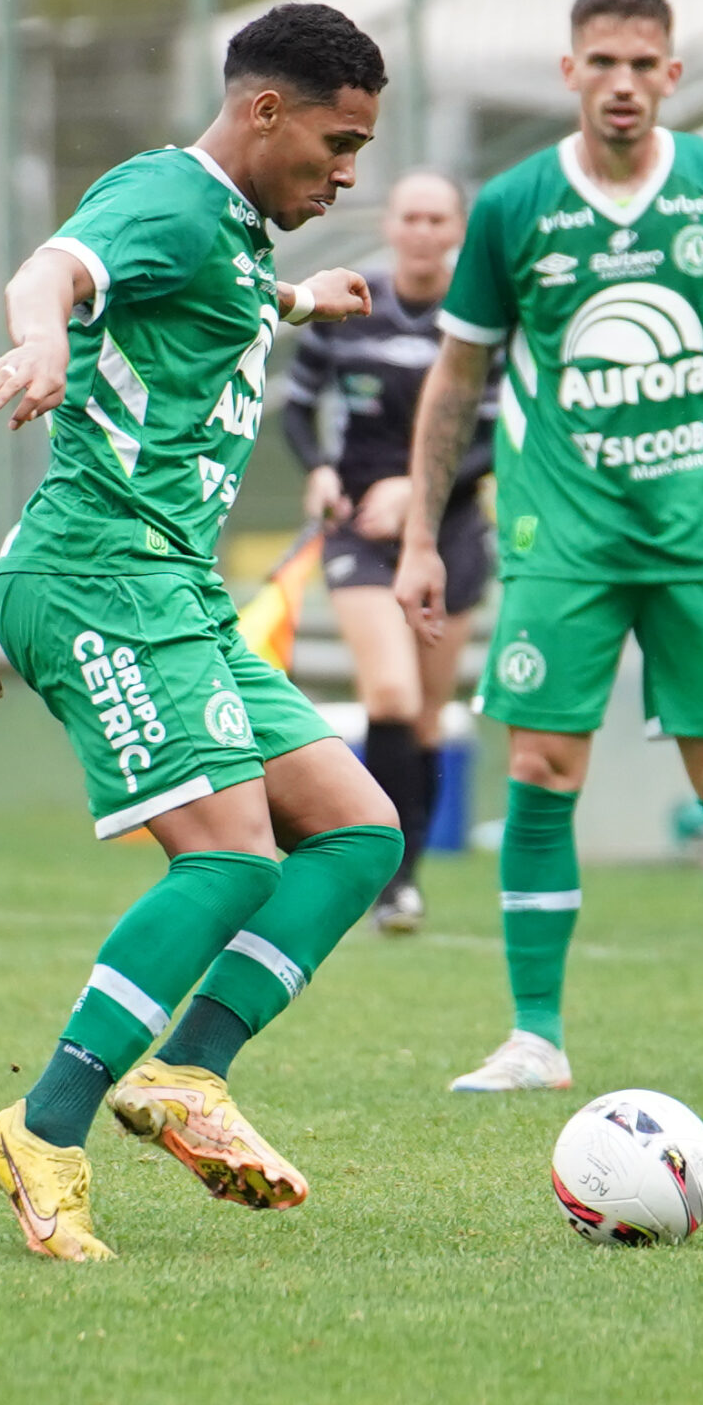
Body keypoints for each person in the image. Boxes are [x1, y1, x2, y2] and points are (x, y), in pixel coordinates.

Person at [0, 3, 404, 1262]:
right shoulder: (163, 195)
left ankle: (186, 1078)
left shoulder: (226, 228)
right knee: (229, 858)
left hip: (175, 588)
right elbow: (51, 272)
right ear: (264, 111)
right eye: (336, 142)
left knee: (358, 831)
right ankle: (41, 1132)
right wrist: (42, 337)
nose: (346, 172)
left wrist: (303, 300)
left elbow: (216, 299)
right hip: (96, 574)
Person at [396, 0, 703, 1096]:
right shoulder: (516, 205)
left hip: (697, 532)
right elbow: (456, 377)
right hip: (558, 534)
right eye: (601, 63)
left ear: (673, 74)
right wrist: (421, 535)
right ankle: (534, 1038)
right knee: (537, 765)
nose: (622, 84)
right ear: (569, 73)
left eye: (642, 63)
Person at [282, 169, 499, 934]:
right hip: (363, 532)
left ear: (459, 230)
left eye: (439, 218)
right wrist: (318, 469)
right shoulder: (351, 309)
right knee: (393, 698)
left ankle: (406, 878)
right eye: (410, 216)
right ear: (390, 222)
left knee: (430, 718)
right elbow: (300, 408)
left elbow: (495, 433)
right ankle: (385, 875)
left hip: (453, 533)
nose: (423, 230)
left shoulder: (480, 317)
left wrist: (421, 488)